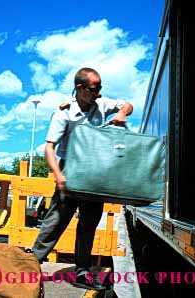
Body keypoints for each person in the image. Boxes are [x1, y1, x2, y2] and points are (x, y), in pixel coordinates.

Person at [31, 67, 133, 290]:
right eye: (94, 89)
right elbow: (49, 147)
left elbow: (128, 105)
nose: (98, 93)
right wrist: (58, 175)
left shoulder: (102, 104)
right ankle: (31, 265)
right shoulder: (64, 113)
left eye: (100, 88)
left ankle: (82, 272)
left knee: (88, 225)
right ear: (80, 88)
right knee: (56, 221)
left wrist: (122, 113)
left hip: (96, 173)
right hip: (71, 171)